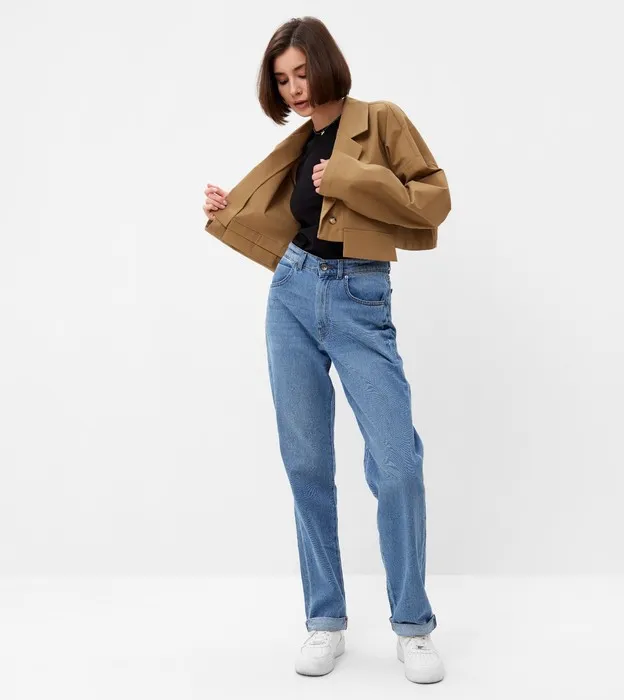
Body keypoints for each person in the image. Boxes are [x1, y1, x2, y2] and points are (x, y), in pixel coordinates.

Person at [202, 16, 451, 684]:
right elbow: (293, 220)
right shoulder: (301, 142)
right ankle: (325, 619)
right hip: (291, 293)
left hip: (361, 297)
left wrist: (349, 177)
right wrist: (230, 207)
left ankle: (413, 625)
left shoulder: (381, 120)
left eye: (301, 72)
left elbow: (433, 201)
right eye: (283, 80)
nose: (295, 88)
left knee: (397, 464)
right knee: (306, 464)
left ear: (325, 62)